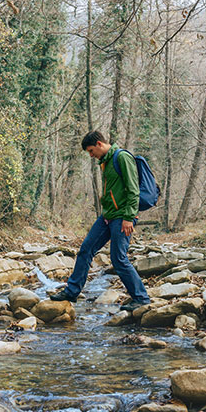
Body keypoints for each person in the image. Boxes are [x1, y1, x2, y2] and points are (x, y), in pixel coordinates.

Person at [49, 130, 152, 311]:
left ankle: (141, 298)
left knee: (118, 259)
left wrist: (129, 217)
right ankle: (72, 291)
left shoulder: (122, 157)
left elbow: (133, 189)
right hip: (107, 216)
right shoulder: (105, 162)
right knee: (85, 250)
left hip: (122, 217)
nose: (91, 155)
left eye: (90, 151)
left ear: (99, 144)